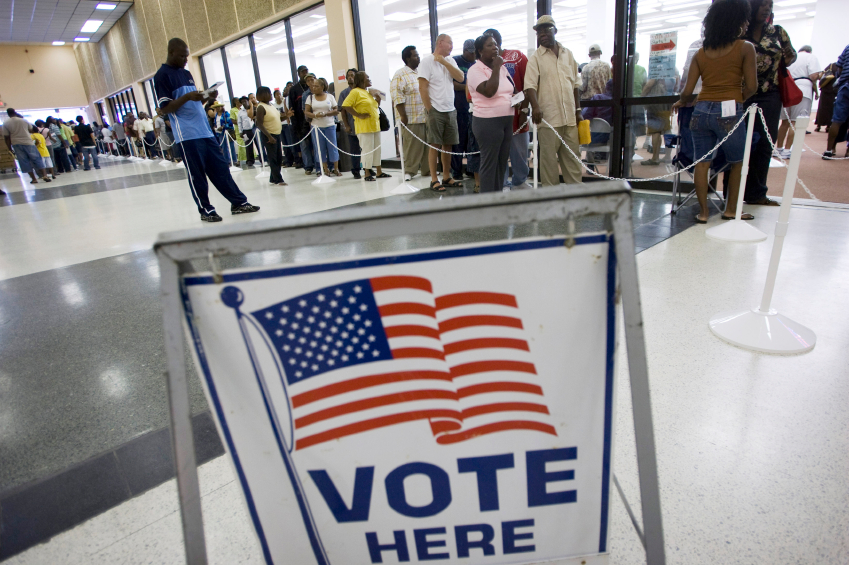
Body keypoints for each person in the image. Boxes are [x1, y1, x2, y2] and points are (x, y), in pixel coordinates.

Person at [154, 38, 259, 222]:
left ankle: (238, 202)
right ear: (171, 53)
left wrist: (207, 97)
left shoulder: (186, 73)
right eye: (182, 56)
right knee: (197, 175)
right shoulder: (162, 75)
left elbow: (193, 102)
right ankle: (206, 209)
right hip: (187, 135)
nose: (186, 60)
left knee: (220, 169)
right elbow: (166, 108)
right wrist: (187, 96)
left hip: (204, 130)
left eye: (187, 56)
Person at [673, 0, 758, 223]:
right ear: (737, 21)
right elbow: (752, 86)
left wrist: (681, 103)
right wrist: (739, 99)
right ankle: (731, 210)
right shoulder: (745, 48)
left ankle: (703, 213)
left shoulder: (701, 53)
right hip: (729, 110)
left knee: (702, 163)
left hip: (700, 110)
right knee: (737, 162)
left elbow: (687, 91)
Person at [742, 0, 796, 204]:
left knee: (765, 144)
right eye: (763, 4)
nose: (767, 8)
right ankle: (734, 194)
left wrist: (784, 59)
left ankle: (757, 193)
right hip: (744, 93)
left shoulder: (778, 32)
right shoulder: (741, 32)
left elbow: (790, 56)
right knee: (740, 144)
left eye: (770, 5)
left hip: (769, 93)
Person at [525, 16, 583, 186]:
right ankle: (551, 201)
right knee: (548, 164)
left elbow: (575, 85)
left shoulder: (568, 54)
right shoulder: (535, 58)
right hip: (548, 120)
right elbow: (530, 86)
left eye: (546, 29)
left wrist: (578, 111)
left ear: (555, 31)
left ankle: (576, 198)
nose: (542, 33)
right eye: (539, 31)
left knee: (573, 160)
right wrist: (535, 106)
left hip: (570, 120)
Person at [467, 35, 515, 193]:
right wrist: (495, 67)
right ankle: (487, 204)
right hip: (487, 122)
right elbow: (489, 91)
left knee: (501, 163)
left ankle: (497, 199)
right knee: (489, 164)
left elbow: (507, 89)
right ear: (480, 51)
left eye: (496, 44)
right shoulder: (475, 70)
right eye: (490, 45)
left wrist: (515, 99)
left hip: (506, 120)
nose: (495, 47)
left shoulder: (501, 68)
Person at [484, 28, 531, 190]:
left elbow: (529, 85)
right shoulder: (485, 63)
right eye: (487, 45)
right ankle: (501, 183)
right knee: (498, 154)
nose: (491, 47)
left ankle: (519, 181)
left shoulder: (516, 57)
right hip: (496, 118)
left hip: (518, 116)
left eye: (493, 44)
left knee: (519, 151)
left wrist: (525, 110)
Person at [418, 34, 465, 191]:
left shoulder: (450, 61)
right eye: (450, 43)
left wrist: (444, 62)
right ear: (440, 43)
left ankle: (446, 176)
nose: (452, 46)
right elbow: (423, 87)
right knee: (435, 145)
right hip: (435, 109)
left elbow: (460, 77)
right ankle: (433, 179)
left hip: (450, 109)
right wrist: (429, 109)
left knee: (448, 145)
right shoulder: (426, 62)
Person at [341, 71, 390, 181]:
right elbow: (345, 105)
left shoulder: (368, 92)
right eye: (367, 78)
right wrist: (358, 115)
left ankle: (379, 171)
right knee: (367, 150)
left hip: (375, 126)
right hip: (364, 127)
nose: (369, 79)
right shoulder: (355, 92)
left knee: (377, 149)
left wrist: (378, 101)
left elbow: (373, 107)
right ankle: (367, 173)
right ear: (361, 80)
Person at [391, 46, 430, 181]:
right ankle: (409, 171)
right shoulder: (400, 74)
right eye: (415, 55)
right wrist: (403, 116)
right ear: (408, 58)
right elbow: (397, 96)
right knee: (412, 147)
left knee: (427, 146)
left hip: (426, 116)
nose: (418, 58)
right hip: (411, 118)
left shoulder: (421, 72)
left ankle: (427, 170)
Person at [775, 45, 820, 158]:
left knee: (785, 122)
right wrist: (820, 75)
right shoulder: (811, 57)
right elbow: (813, 76)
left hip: (787, 88)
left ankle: (779, 148)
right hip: (802, 90)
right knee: (795, 122)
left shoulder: (792, 57)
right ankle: (787, 150)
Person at [450, 39, 476, 181]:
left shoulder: (476, 64)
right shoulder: (455, 62)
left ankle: (471, 169)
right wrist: (467, 87)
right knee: (458, 141)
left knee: (471, 142)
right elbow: (451, 83)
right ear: (465, 51)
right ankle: (456, 171)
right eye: (471, 53)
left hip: (472, 109)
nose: (474, 56)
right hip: (458, 107)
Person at [2, 109, 51, 183]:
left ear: (8, 114)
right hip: (28, 142)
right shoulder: (24, 120)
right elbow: (31, 129)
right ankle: (45, 175)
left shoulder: (6, 123)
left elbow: (6, 137)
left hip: (16, 144)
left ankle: (34, 179)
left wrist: (9, 148)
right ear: (15, 112)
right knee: (37, 158)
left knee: (24, 161)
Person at [305, 78, 341, 177]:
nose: (313, 87)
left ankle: (336, 168)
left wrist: (325, 113)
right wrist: (316, 115)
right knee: (320, 148)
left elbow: (336, 110)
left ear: (322, 87)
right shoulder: (310, 98)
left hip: (329, 125)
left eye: (316, 86)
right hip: (316, 127)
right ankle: (325, 169)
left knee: (333, 147)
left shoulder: (330, 96)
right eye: (313, 86)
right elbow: (307, 112)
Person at [254, 86, 287, 185]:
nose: (271, 95)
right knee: (273, 158)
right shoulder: (261, 107)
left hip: (276, 134)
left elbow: (277, 119)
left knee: (278, 157)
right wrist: (269, 136)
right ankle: (278, 179)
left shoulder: (271, 106)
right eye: (268, 93)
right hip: (269, 135)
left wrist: (287, 115)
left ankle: (273, 178)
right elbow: (258, 124)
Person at [824, 44, 849, 160]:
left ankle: (829, 150)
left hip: (845, 85)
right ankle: (848, 152)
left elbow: (839, 66)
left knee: (837, 120)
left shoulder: (848, 47)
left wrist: (840, 78)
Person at [289, 66, 315, 174]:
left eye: (306, 71)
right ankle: (308, 166)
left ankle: (318, 164)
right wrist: (295, 124)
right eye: (303, 72)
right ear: (299, 74)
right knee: (304, 145)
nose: (305, 73)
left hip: (314, 120)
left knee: (315, 144)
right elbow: (292, 108)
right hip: (300, 122)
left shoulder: (315, 87)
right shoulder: (294, 89)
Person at [338, 68, 363, 179]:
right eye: (348, 75)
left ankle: (369, 168)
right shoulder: (344, 93)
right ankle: (356, 170)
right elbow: (342, 110)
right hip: (352, 126)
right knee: (354, 149)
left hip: (364, 125)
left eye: (352, 75)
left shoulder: (363, 90)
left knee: (366, 148)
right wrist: (346, 125)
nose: (350, 77)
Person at [273, 87, 295, 167]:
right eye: (277, 95)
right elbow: (276, 115)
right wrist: (283, 114)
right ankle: (288, 161)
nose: (279, 96)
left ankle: (295, 159)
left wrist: (283, 114)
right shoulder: (274, 106)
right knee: (284, 144)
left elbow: (286, 112)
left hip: (286, 124)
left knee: (290, 142)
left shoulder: (284, 102)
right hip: (279, 125)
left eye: (279, 94)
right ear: (274, 97)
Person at [815, 62, 839, 133]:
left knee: (822, 108)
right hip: (833, 90)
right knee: (831, 108)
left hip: (825, 89)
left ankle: (818, 125)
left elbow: (823, 75)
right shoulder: (841, 67)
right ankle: (828, 126)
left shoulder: (831, 65)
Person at [237, 96, 256, 167]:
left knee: (258, 143)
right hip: (246, 131)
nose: (244, 103)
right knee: (248, 146)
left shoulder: (253, 108)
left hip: (254, 129)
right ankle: (250, 160)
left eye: (245, 101)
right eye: (242, 102)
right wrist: (240, 132)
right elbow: (239, 122)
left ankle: (263, 159)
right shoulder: (240, 112)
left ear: (248, 101)